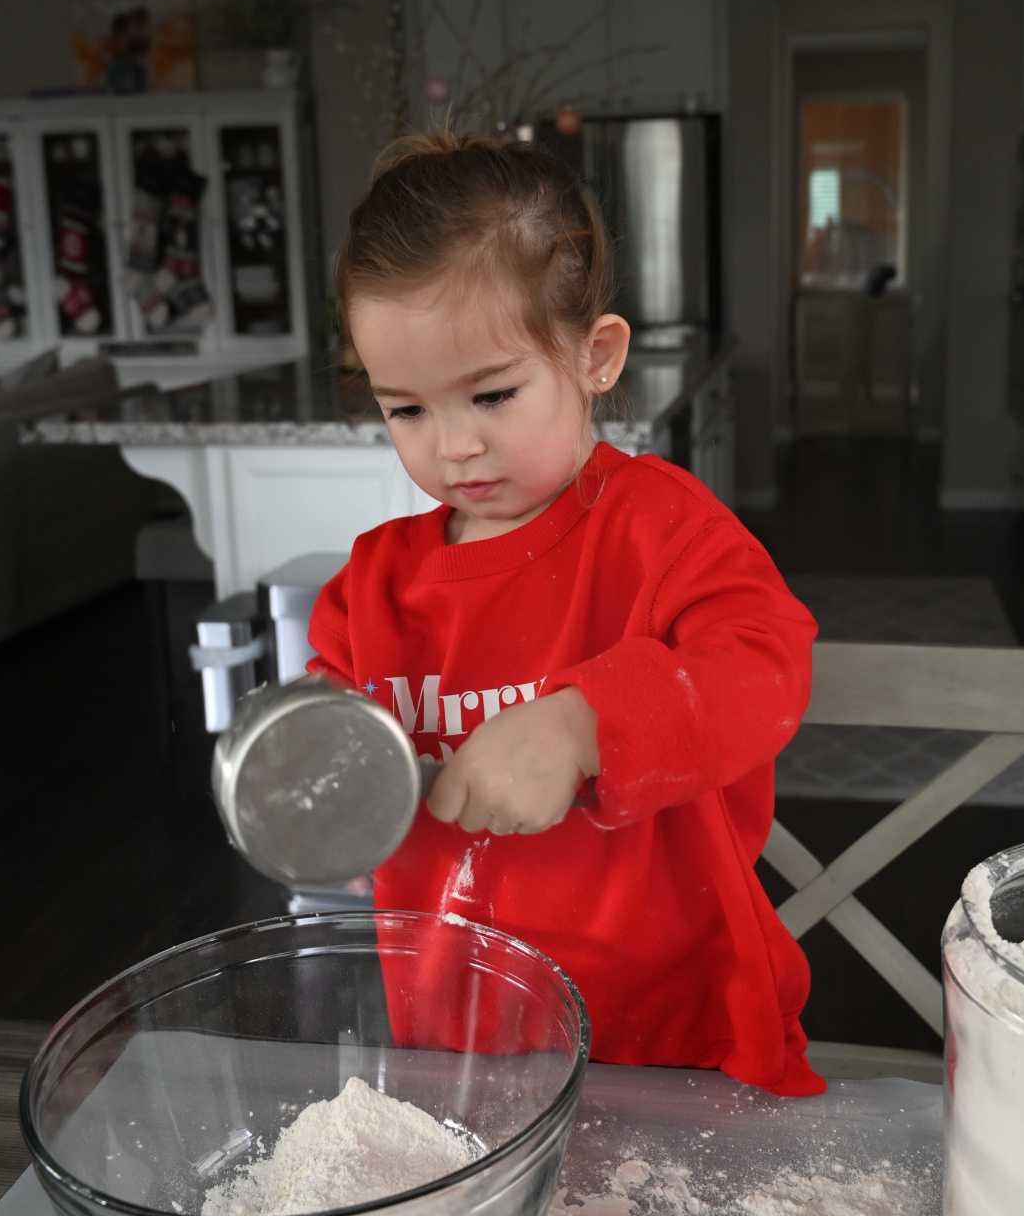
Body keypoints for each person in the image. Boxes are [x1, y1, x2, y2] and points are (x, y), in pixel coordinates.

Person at [308, 129, 823, 1097]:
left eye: (492, 393)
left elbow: (767, 664)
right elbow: (329, 746)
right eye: (405, 409)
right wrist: (322, 793)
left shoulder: (659, 531)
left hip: (673, 1043)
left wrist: (588, 723)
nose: (452, 445)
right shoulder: (372, 594)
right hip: (466, 1055)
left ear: (596, 357)